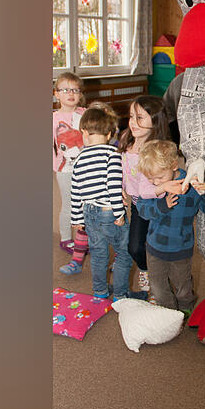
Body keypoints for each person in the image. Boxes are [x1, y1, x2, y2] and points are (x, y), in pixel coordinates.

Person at [69, 106, 147, 301]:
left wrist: (77, 219)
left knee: (98, 253)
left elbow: (76, 191)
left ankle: (100, 291)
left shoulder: (78, 159)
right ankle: (120, 294)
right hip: (109, 211)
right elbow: (113, 185)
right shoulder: (112, 153)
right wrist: (119, 213)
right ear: (111, 133)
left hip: (89, 213)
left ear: (84, 132)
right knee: (123, 252)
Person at [135, 140, 205, 316]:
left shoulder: (191, 184)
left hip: (181, 248)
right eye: (150, 179)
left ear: (173, 165)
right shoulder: (152, 188)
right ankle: (168, 313)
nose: (155, 182)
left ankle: (186, 307)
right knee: (157, 286)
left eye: (159, 177)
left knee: (183, 285)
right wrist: (161, 205)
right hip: (155, 247)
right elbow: (142, 209)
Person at [119, 96, 174, 301]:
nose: (133, 122)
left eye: (140, 117)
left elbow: (153, 184)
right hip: (136, 204)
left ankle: (161, 286)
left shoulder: (158, 149)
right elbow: (123, 171)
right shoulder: (127, 140)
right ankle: (147, 272)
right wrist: (122, 189)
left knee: (159, 247)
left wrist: (164, 186)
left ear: (155, 120)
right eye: (132, 116)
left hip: (156, 203)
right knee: (135, 247)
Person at [52, 72, 87, 274]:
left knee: (84, 203)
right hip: (64, 169)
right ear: (57, 94)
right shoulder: (54, 118)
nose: (70, 94)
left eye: (75, 90)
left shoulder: (85, 114)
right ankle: (66, 238)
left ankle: (83, 236)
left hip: (85, 168)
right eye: (65, 90)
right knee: (68, 204)